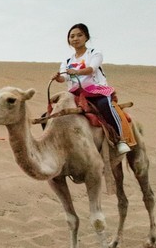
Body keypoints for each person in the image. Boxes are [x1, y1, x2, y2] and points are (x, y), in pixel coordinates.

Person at [54, 23, 134, 154]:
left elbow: (91, 69)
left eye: (79, 35)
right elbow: (65, 78)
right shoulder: (67, 60)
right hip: (76, 93)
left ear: (86, 37)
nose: (75, 38)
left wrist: (76, 72)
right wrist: (58, 78)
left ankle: (120, 140)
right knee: (54, 111)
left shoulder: (94, 53)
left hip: (96, 90)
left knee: (104, 105)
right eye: (72, 36)